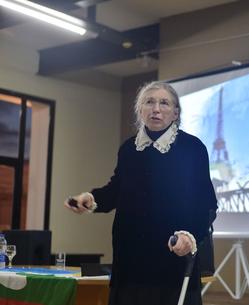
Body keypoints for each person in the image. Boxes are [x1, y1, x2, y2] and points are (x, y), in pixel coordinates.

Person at [65, 81, 217, 305]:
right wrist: (92, 198)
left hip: (172, 259)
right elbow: (118, 189)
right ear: (140, 110)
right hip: (130, 259)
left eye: (164, 103)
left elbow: (207, 205)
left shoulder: (193, 148)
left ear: (175, 113)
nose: (156, 108)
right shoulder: (129, 148)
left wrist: (190, 235)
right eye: (149, 102)